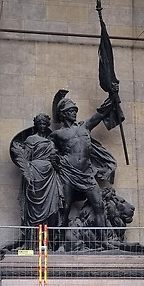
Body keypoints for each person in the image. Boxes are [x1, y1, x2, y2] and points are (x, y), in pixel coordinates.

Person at [50, 89, 119, 235]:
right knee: (65, 207)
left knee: (99, 205)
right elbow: (48, 151)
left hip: (86, 174)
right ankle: (60, 241)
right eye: (71, 111)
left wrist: (112, 97)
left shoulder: (85, 126)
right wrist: (54, 158)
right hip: (68, 172)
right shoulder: (57, 134)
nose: (74, 113)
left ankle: (103, 241)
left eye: (75, 110)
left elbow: (100, 114)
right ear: (63, 114)